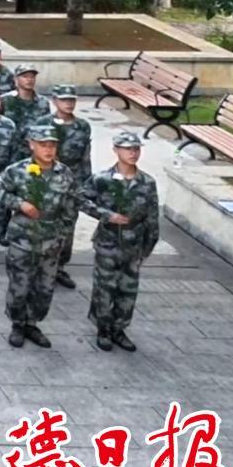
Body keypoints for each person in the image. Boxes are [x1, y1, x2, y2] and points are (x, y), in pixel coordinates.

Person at [0, 124, 80, 349]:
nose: (48, 150)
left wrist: (63, 233)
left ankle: (32, 323)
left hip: (51, 240)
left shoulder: (64, 173)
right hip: (23, 239)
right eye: (43, 145)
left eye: (52, 145)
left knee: (44, 288)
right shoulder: (17, 170)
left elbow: (71, 205)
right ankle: (17, 324)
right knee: (20, 286)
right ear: (32, 145)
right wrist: (19, 203)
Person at [80, 130, 160, 352]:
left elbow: (152, 216)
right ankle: (103, 329)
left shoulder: (147, 182)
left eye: (136, 149)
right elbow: (81, 199)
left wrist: (148, 246)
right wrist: (106, 215)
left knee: (128, 290)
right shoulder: (102, 179)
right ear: (116, 150)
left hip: (134, 245)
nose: (133, 153)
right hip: (108, 242)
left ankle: (119, 328)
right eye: (127, 149)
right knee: (104, 288)